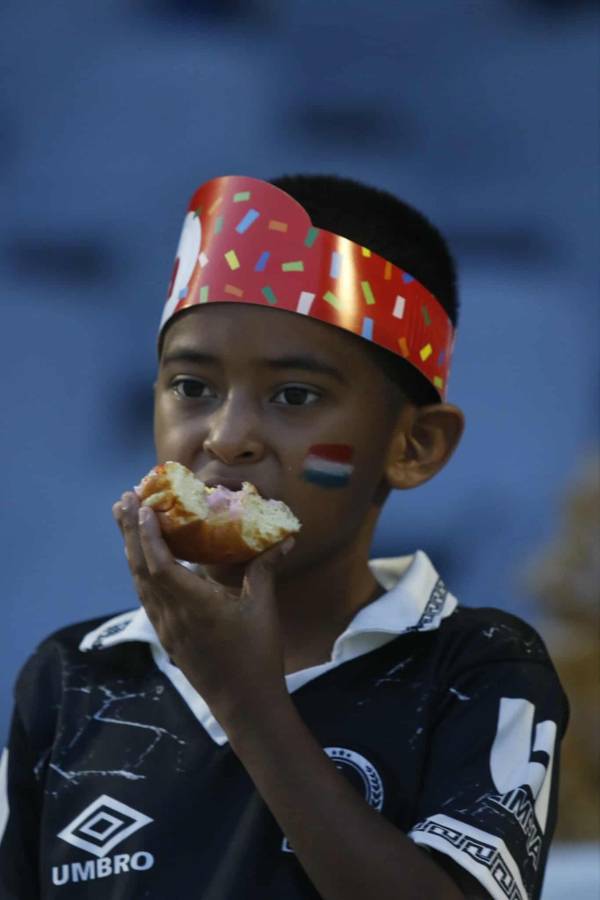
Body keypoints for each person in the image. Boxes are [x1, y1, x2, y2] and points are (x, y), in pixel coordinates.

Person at [0, 174, 568, 899]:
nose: (227, 438)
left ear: (415, 446)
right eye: (191, 388)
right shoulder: (74, 678)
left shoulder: (476, 668)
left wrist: (247, 700)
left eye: (295, 397)